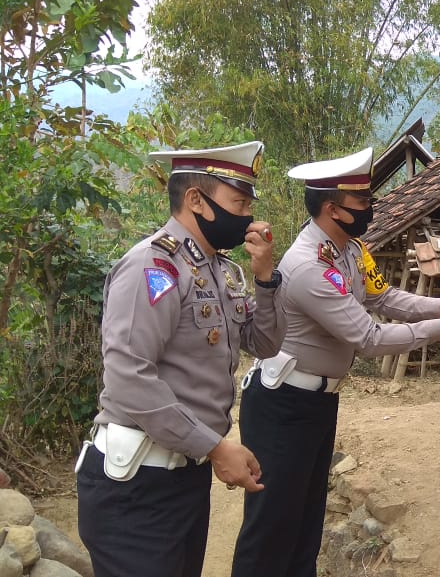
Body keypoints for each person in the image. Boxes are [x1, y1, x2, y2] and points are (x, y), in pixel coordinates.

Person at [230, 147, 440, 577]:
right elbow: (369, 337)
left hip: (317, 401)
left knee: (305, 519)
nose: (371, 206)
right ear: (333, 209)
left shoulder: (350, 249)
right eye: (362, 201)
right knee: (270, 528)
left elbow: (383, 296)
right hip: (283, 405)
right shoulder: (309, 267)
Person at [77, 141, 287, 577]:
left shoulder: (221, 269)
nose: (249, 217)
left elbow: (264, 344)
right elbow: (128, 378)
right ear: (196, 200)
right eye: (239, 204)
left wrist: (267, 279)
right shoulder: (153, 267)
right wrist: (215, 448)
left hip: (184, 475)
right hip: (137, 485)